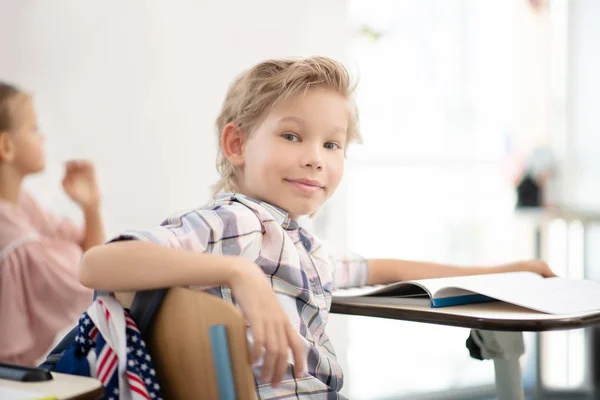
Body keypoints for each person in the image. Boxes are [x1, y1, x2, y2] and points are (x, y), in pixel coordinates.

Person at [78, 57, 555, 399]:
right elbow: (97, 264)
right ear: (236, 143)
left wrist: (503, 270)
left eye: (333, 144)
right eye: (292, 136)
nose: (315, 157)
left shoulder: (297, 242)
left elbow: (380, 268)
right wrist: (238, 274)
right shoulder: (237, 220)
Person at [0, 81, 105, 366]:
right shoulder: (13, 238)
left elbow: (90, 258)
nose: (42, 137)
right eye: (34, 128)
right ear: (6, 146)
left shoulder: (21, 203)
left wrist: (90, 206)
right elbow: (97, 278)